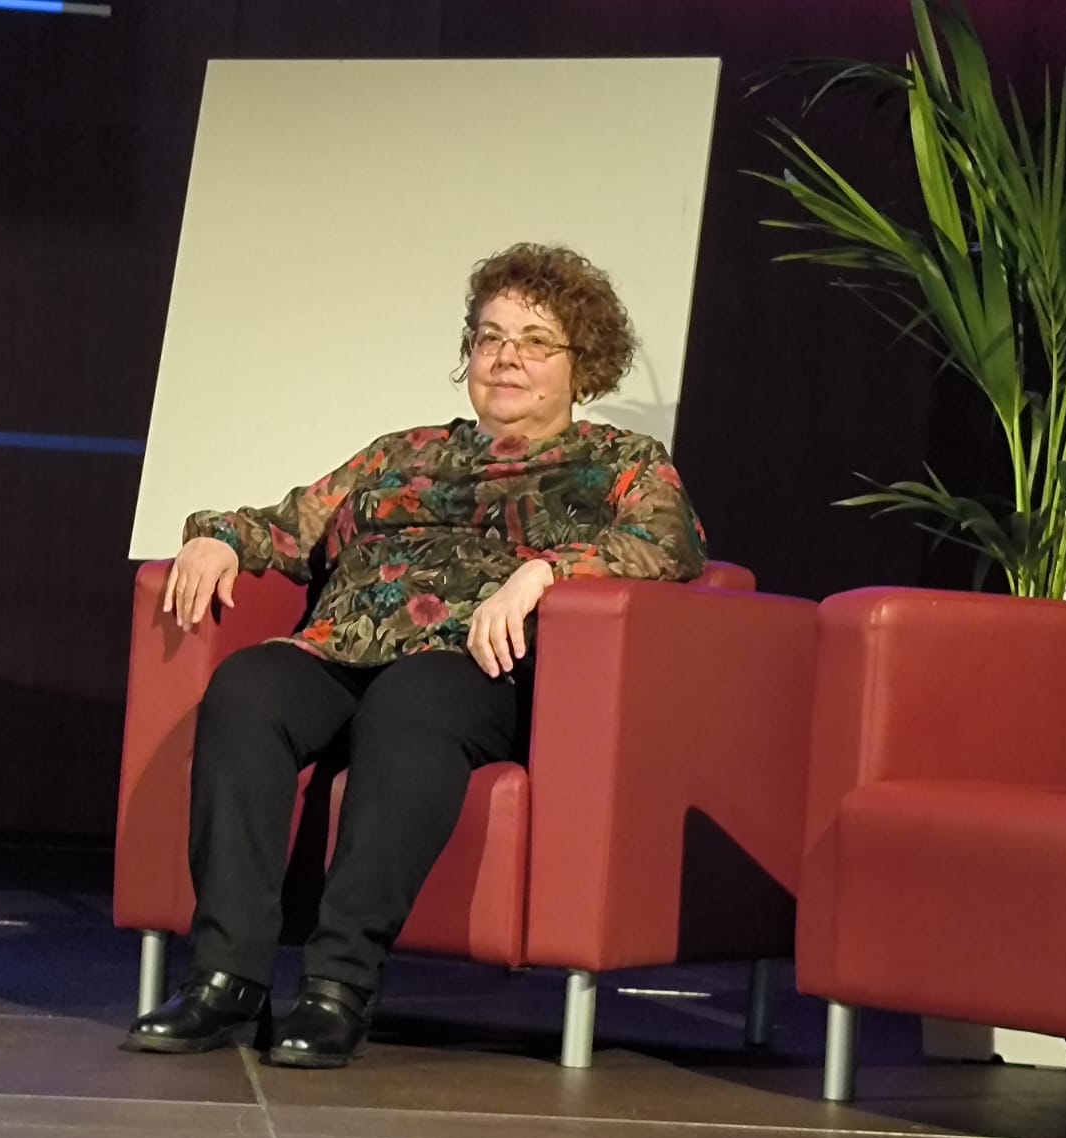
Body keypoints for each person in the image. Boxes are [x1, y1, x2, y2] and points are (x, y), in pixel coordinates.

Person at [124, 242, 707, 1067]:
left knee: (410, 703)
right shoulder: (404, 453)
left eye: (535, 342)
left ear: (583, 364)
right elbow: (290, 525)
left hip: (476, 667)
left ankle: (337, 987)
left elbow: (671, 544)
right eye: (489, 337)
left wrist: (546, 571)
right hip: (344, 647)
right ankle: (226, 981)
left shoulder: (619, 462)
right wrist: (218, 537)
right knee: (249, 687)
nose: (506, 358)